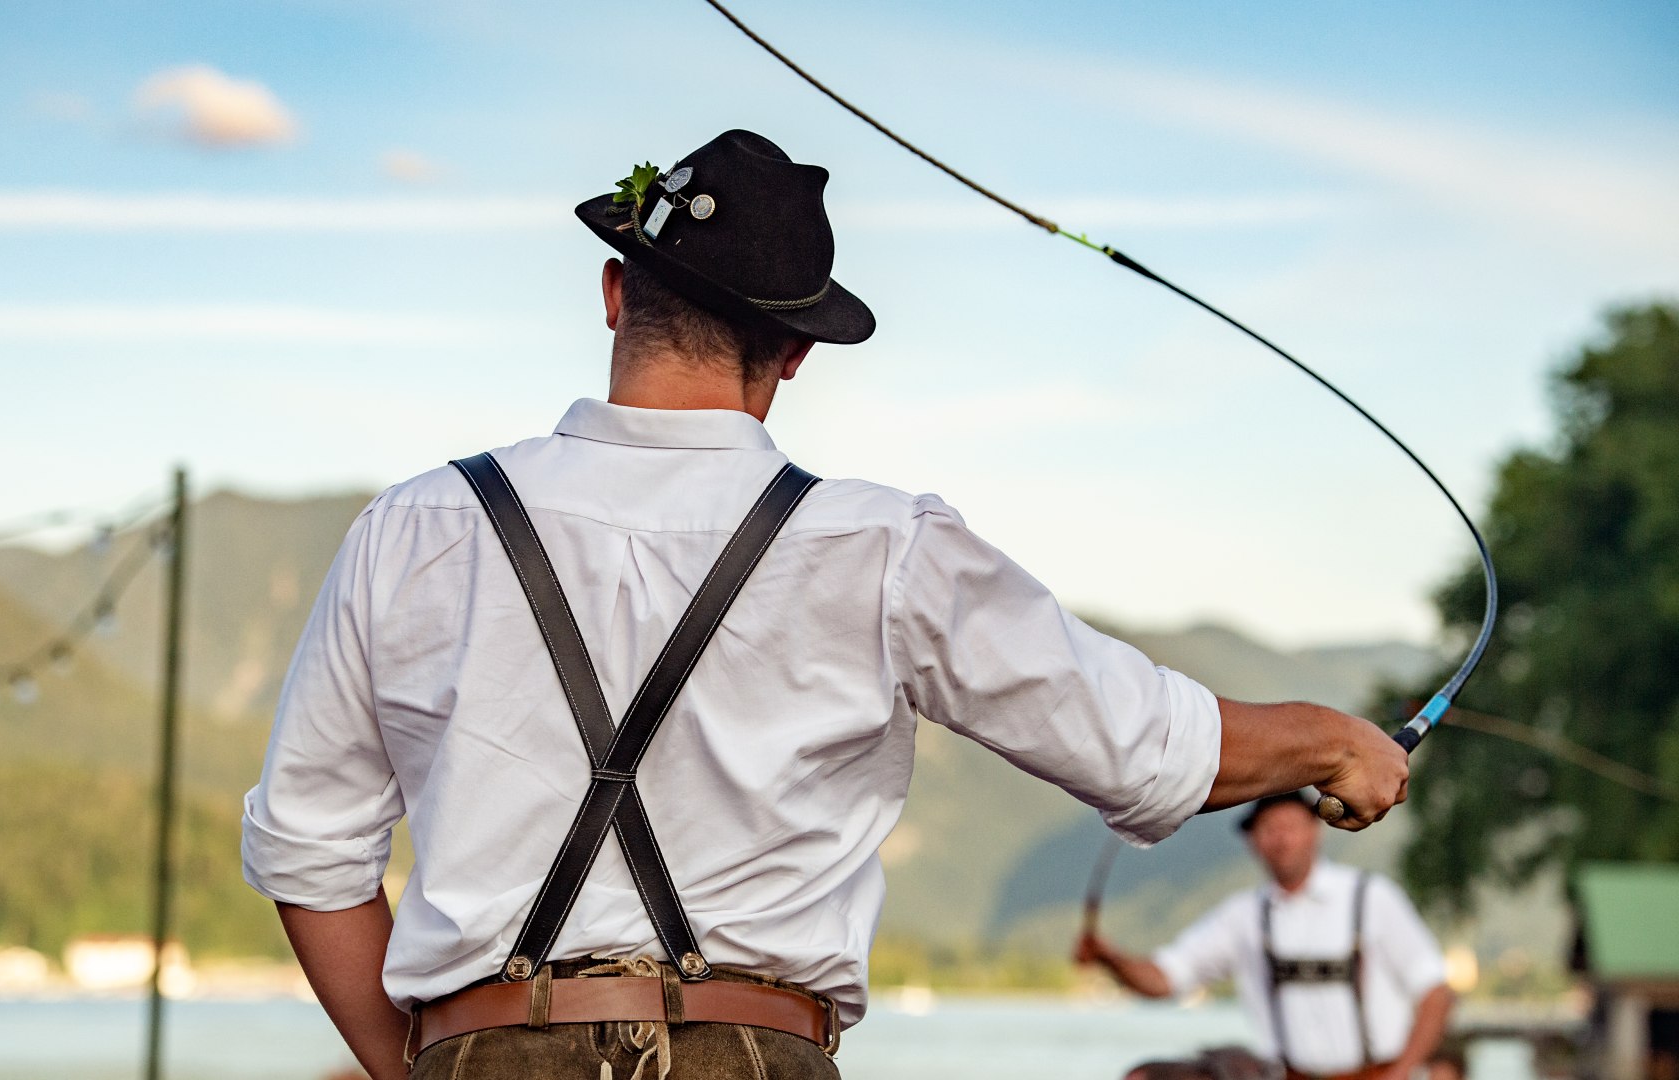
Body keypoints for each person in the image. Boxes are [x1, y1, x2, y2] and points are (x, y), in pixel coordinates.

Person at [240, 128, 1412, 1080]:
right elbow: (1148, 746)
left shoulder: (414, 527)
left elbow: (310, 856)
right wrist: (1334, 739)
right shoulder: (883, 547)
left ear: (613, 293)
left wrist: (434, 1066)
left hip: (478, 1050)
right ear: (795, 353)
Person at [1076, 792, 1454, 1080]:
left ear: (1314, 831)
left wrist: (1402, 1071)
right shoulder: (1243, 917)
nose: (1280, 839)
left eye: (1289, 826)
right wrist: (1111, 958)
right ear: (1252, 842)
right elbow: (1166, 978)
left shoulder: (1372, 898)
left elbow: (1435, 993)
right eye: (1269, 829)